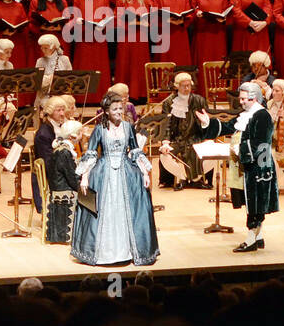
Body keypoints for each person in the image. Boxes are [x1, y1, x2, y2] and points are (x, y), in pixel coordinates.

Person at [73, 93, 159, 266]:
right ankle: (104, 252)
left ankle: (128, 250)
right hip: (104, 173)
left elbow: (135, 151)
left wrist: (143, 173)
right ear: (106, 111)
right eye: (115, 109)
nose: (119, 112)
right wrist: (85, 176)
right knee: (105, 210)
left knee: (129, 209)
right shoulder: (99, 129)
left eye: (121, 108)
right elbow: (91, 153)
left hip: (126, 171)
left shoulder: (128, 127)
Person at [195, 82, 278, 252]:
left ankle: (251, 240)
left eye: (243, 98)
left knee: (255, 205)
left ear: (253, 98)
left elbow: (262, 143)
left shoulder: (262, 116)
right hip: (245, 166)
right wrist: (207, 123)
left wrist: (240, 149)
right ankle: (258, 237)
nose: (240, 102)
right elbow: (228, 127)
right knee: (250, 202)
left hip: (258, 168)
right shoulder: (246, 114)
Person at [157, 73, 211, 190]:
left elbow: (206, 121)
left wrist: (205, 126)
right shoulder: (169, 102)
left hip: (195, 137)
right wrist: (165, 142)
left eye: (188, 86)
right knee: (165, 154)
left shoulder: (199, 100)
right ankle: (181, 177)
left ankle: (197, 179)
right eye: (183, 86)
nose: (186, 88)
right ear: (177, 86)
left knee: (204, 150)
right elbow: (167, 124)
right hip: (176, 139)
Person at [44, 119, 84, 244]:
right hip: (62, 188)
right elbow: (72, 178)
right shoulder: (64, 152)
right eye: (81, 133)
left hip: (58, 184)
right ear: (73, 136)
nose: (82, 136)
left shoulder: (62, 148)